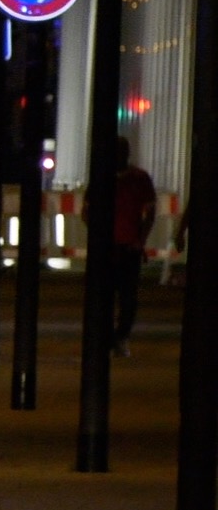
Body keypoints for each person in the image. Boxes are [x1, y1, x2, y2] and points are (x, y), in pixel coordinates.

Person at [88, 137, 157, 356]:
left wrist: (140, 240)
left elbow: (150, 212)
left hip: (127, 247)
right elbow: (87, 212)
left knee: (126, 298)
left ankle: (119, 336)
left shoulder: (138, 178)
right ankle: (113, 338)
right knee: (112, 296)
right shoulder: (106, 177)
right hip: (115, 247)